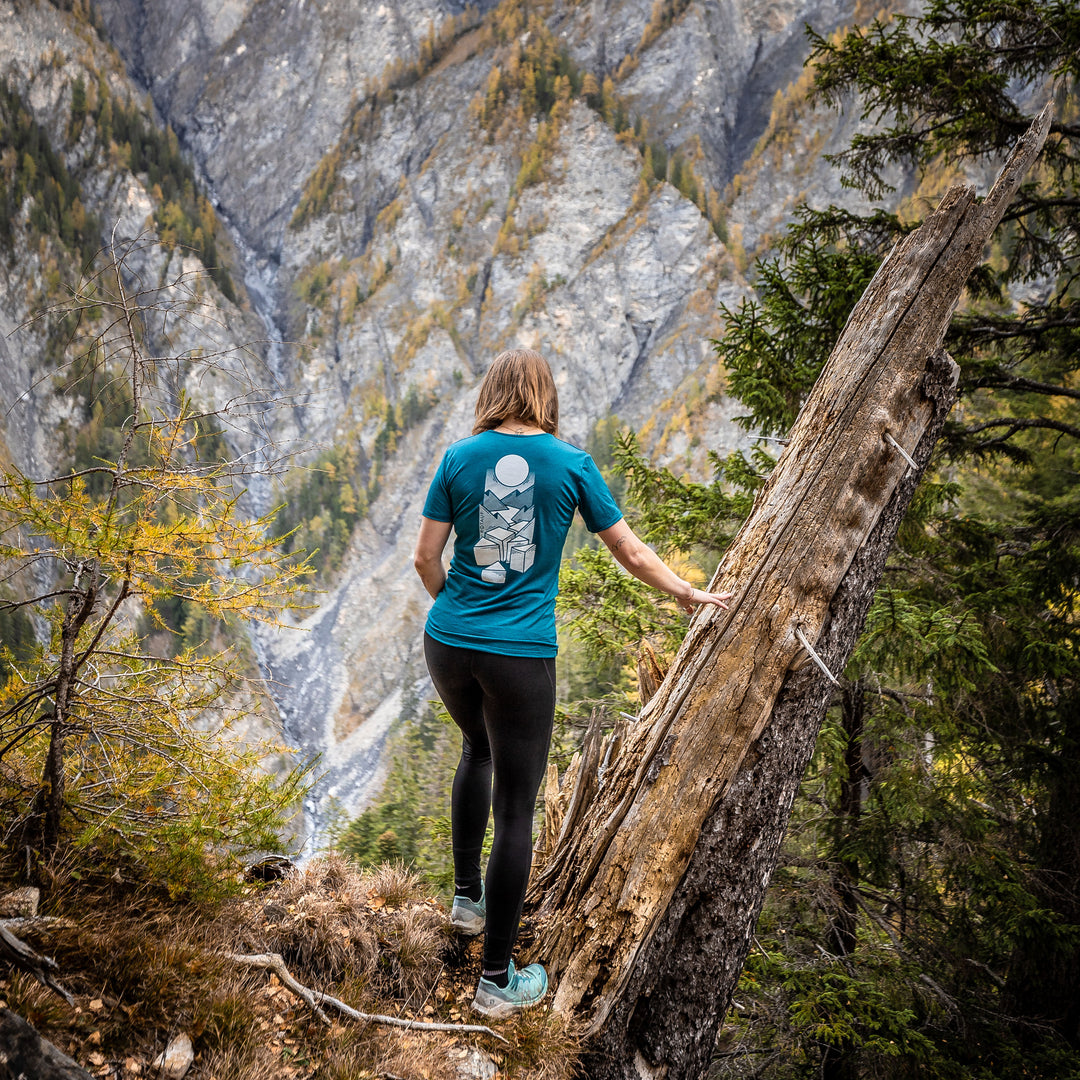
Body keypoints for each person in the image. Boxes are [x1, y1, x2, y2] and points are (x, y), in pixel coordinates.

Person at [413, 348, 731, 1018]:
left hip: (446, 642)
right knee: (519, 809)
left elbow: (424, 557)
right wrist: (685, 591)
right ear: (545, 397)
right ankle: (496, 982)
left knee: (477, 750)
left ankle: (466, 901)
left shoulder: (457, 457)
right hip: (521, 657)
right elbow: (629, 550)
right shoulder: (571, 464)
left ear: (494, 392)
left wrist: (459, 615)